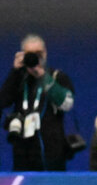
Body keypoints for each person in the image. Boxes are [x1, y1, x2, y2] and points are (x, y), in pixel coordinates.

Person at [0, 34, 76, 171]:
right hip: (23, 151)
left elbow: (67, 104)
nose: (35, 58)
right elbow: (2, 101)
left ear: (45, 54)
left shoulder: (57, 77)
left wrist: (43, 77)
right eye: (30, 54)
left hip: (51, 152)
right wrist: (14, 71)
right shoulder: (19, 78)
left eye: (39, 54)